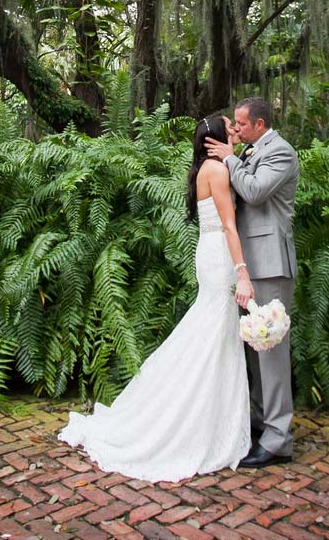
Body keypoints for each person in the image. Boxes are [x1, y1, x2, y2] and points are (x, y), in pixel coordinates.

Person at [57, 114, 252, 482]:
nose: (235, 132)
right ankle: (188, 420)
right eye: (229, 128)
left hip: (208, 251)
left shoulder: (205, 168)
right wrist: (242, 270)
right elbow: (229, 224)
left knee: (211, 331)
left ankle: (206, 416)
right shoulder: (218, 169)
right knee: (212, 332)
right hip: (221, 255)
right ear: (214, 138)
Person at [206, 96, 299, 468]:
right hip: (248, 264)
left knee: (273, 353)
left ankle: (279, 442)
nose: (237, 131)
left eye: (242, 125)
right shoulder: (249, 151)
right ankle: (260, 424)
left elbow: (256, 191)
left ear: (260, 124)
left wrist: (228, 157)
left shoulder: (281, 152)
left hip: (271, 264)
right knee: (254, 348)